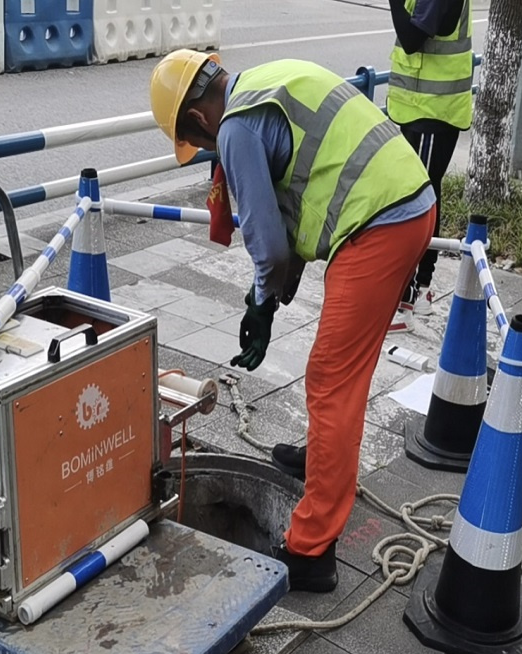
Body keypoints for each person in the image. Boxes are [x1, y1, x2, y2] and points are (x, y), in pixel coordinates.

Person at [149, 50, 436, 592]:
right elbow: (297, 209)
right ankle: (321, 458)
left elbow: (271, 249)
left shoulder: (234, 129)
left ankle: (311, 550)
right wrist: (271, 297)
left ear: (196, 120)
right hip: (406, 206)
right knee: (344, 366)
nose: (210, 153)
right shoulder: (264, 85)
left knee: (330, 378)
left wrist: (260, 304)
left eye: (198, 145)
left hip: (380, 222)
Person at [386, 0, 473, 333]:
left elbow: (411, 38)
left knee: (417, 198)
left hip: (433, 112)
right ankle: (421, 289)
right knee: (425, 193)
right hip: (419, 107)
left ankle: (408, 297)